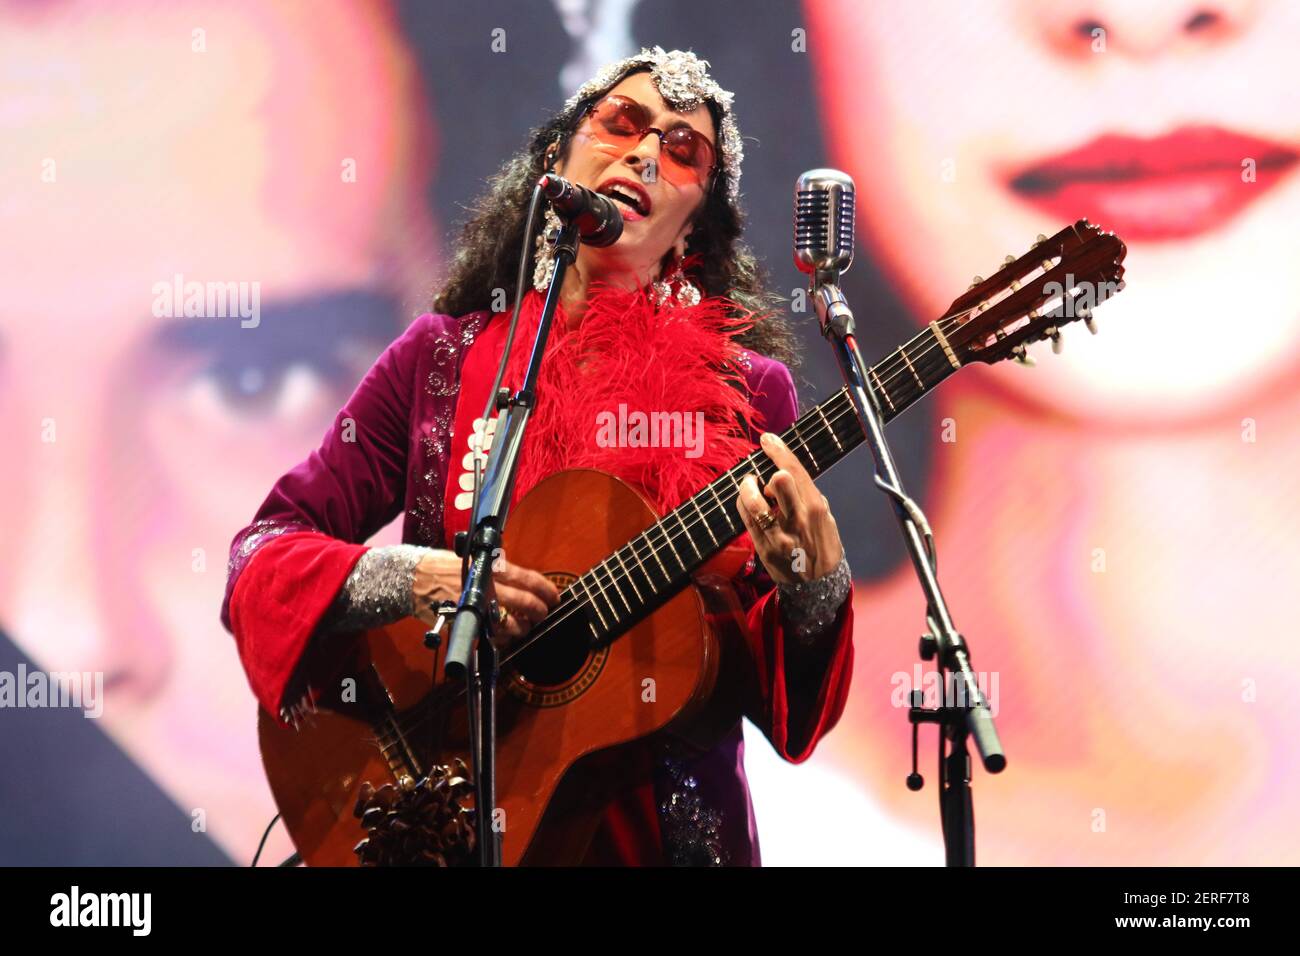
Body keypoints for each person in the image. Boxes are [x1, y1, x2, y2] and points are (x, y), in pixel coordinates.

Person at [221, 46, 856, 866]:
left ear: (696, 220)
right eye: (620, 124)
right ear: (557, 157)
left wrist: (816, 588)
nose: (643, 152)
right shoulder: (440, 360)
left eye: (681, 149)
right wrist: (417, 579)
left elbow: (782, 696)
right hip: (437, 818)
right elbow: (263, 553)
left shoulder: (748, 396)